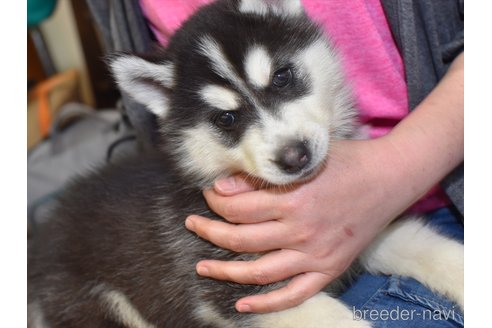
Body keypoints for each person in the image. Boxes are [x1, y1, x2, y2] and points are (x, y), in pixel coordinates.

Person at [140, 0, 464, 326]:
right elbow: (255, 301)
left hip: (450, 192)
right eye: (227, 118)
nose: (288, 149)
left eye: (281, 78)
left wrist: (396, 166)